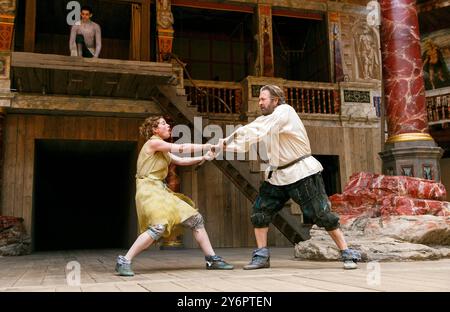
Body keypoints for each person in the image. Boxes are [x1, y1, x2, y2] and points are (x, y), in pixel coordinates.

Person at [214, 85, 361, 270]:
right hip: (277, 175)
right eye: (259, 99)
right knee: (260, 211)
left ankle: (346, 252)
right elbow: (248, 140)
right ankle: (261, 255)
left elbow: (256, 129)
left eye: (263, 99)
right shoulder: (265, 121)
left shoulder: (285, 111)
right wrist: (223, 148)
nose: (259, 102)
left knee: (321, 213)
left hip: (301, 172)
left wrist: (227, 139)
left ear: (275, 100)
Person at [115, 116, 233, 276]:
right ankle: (124, 261)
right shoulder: (153, 143)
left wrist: (204, 157)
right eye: (163, 124)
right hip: (148, 190)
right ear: (154, 130)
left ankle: (212, 259)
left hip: (160, 191)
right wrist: (207, 145)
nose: (168, 126)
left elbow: (180, 160)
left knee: (196, 219)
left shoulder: (163, 150)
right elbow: (182, 147)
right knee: (158, 227)